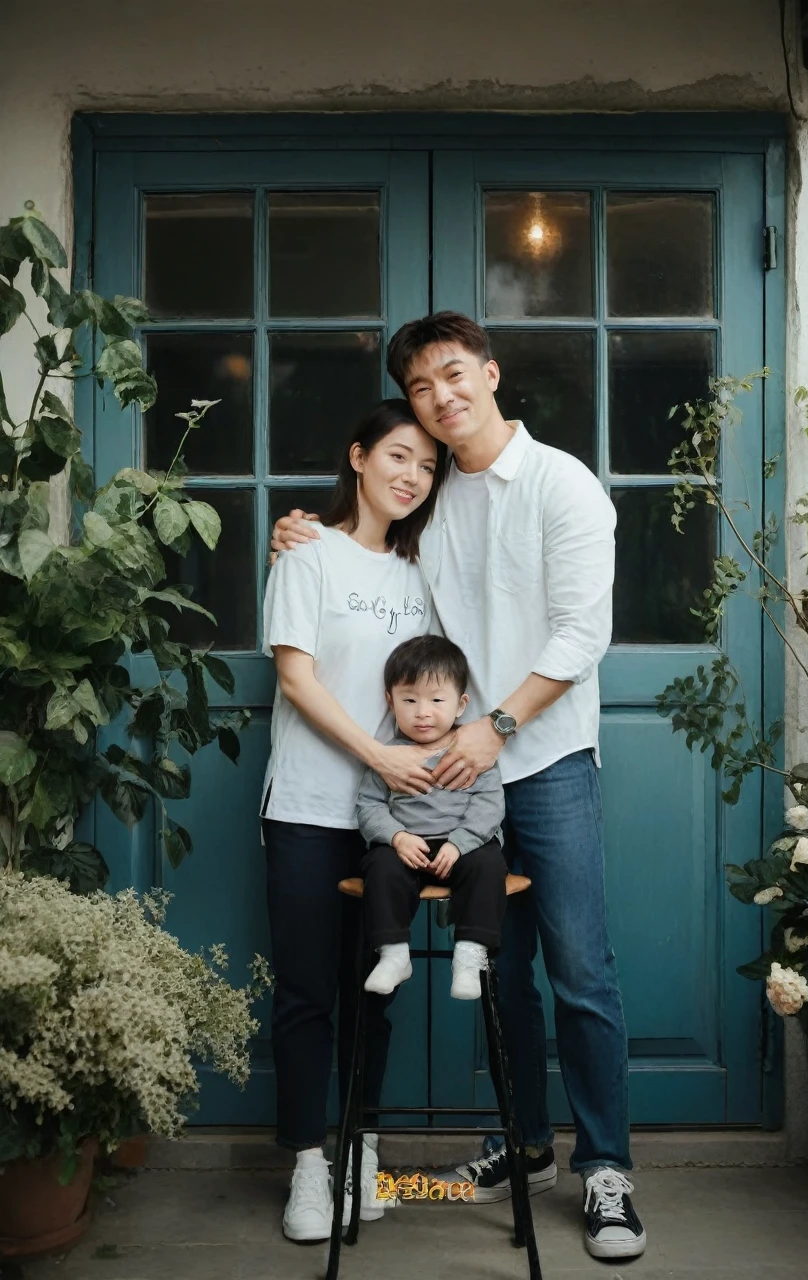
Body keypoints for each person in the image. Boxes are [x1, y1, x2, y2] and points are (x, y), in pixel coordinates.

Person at [270, 312, 646, 1261]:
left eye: (452, 375)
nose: (441, 398)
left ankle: (607, 1170)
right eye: (422, 386)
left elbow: (580, 636)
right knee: (503, 976)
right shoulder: (431, 500)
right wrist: (302, 532)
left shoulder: (562, 483)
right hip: (447, 778)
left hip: (541, 760)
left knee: (580, 971)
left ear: (489, 372)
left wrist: (497, 727)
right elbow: (369, 562)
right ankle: (526, 1148)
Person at [262, 398, 447, 1244]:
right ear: (360, 457)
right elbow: (298, 680)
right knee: (308, 991)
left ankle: (363, 1148)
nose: (413, 476)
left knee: (375, 989)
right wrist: (378, 757)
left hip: (396, 824)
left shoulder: (426, 574)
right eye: (399, 457)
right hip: (307, 805)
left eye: (428, 466)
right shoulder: (308, 553)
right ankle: (308, 1165)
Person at [357, 634, 508, 1001]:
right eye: (409, 700)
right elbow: (369, 806)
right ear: (390, 701)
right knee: (380, 866)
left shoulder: (470, 751)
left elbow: (490, 804)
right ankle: (393, 954)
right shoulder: (387, 755)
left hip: (463, 845)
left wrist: (460, 843)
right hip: (409, 846)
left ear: (460, 704)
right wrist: (396, 837)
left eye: (437, 700)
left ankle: (470, 955)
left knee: (489, 865)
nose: (423, 712)